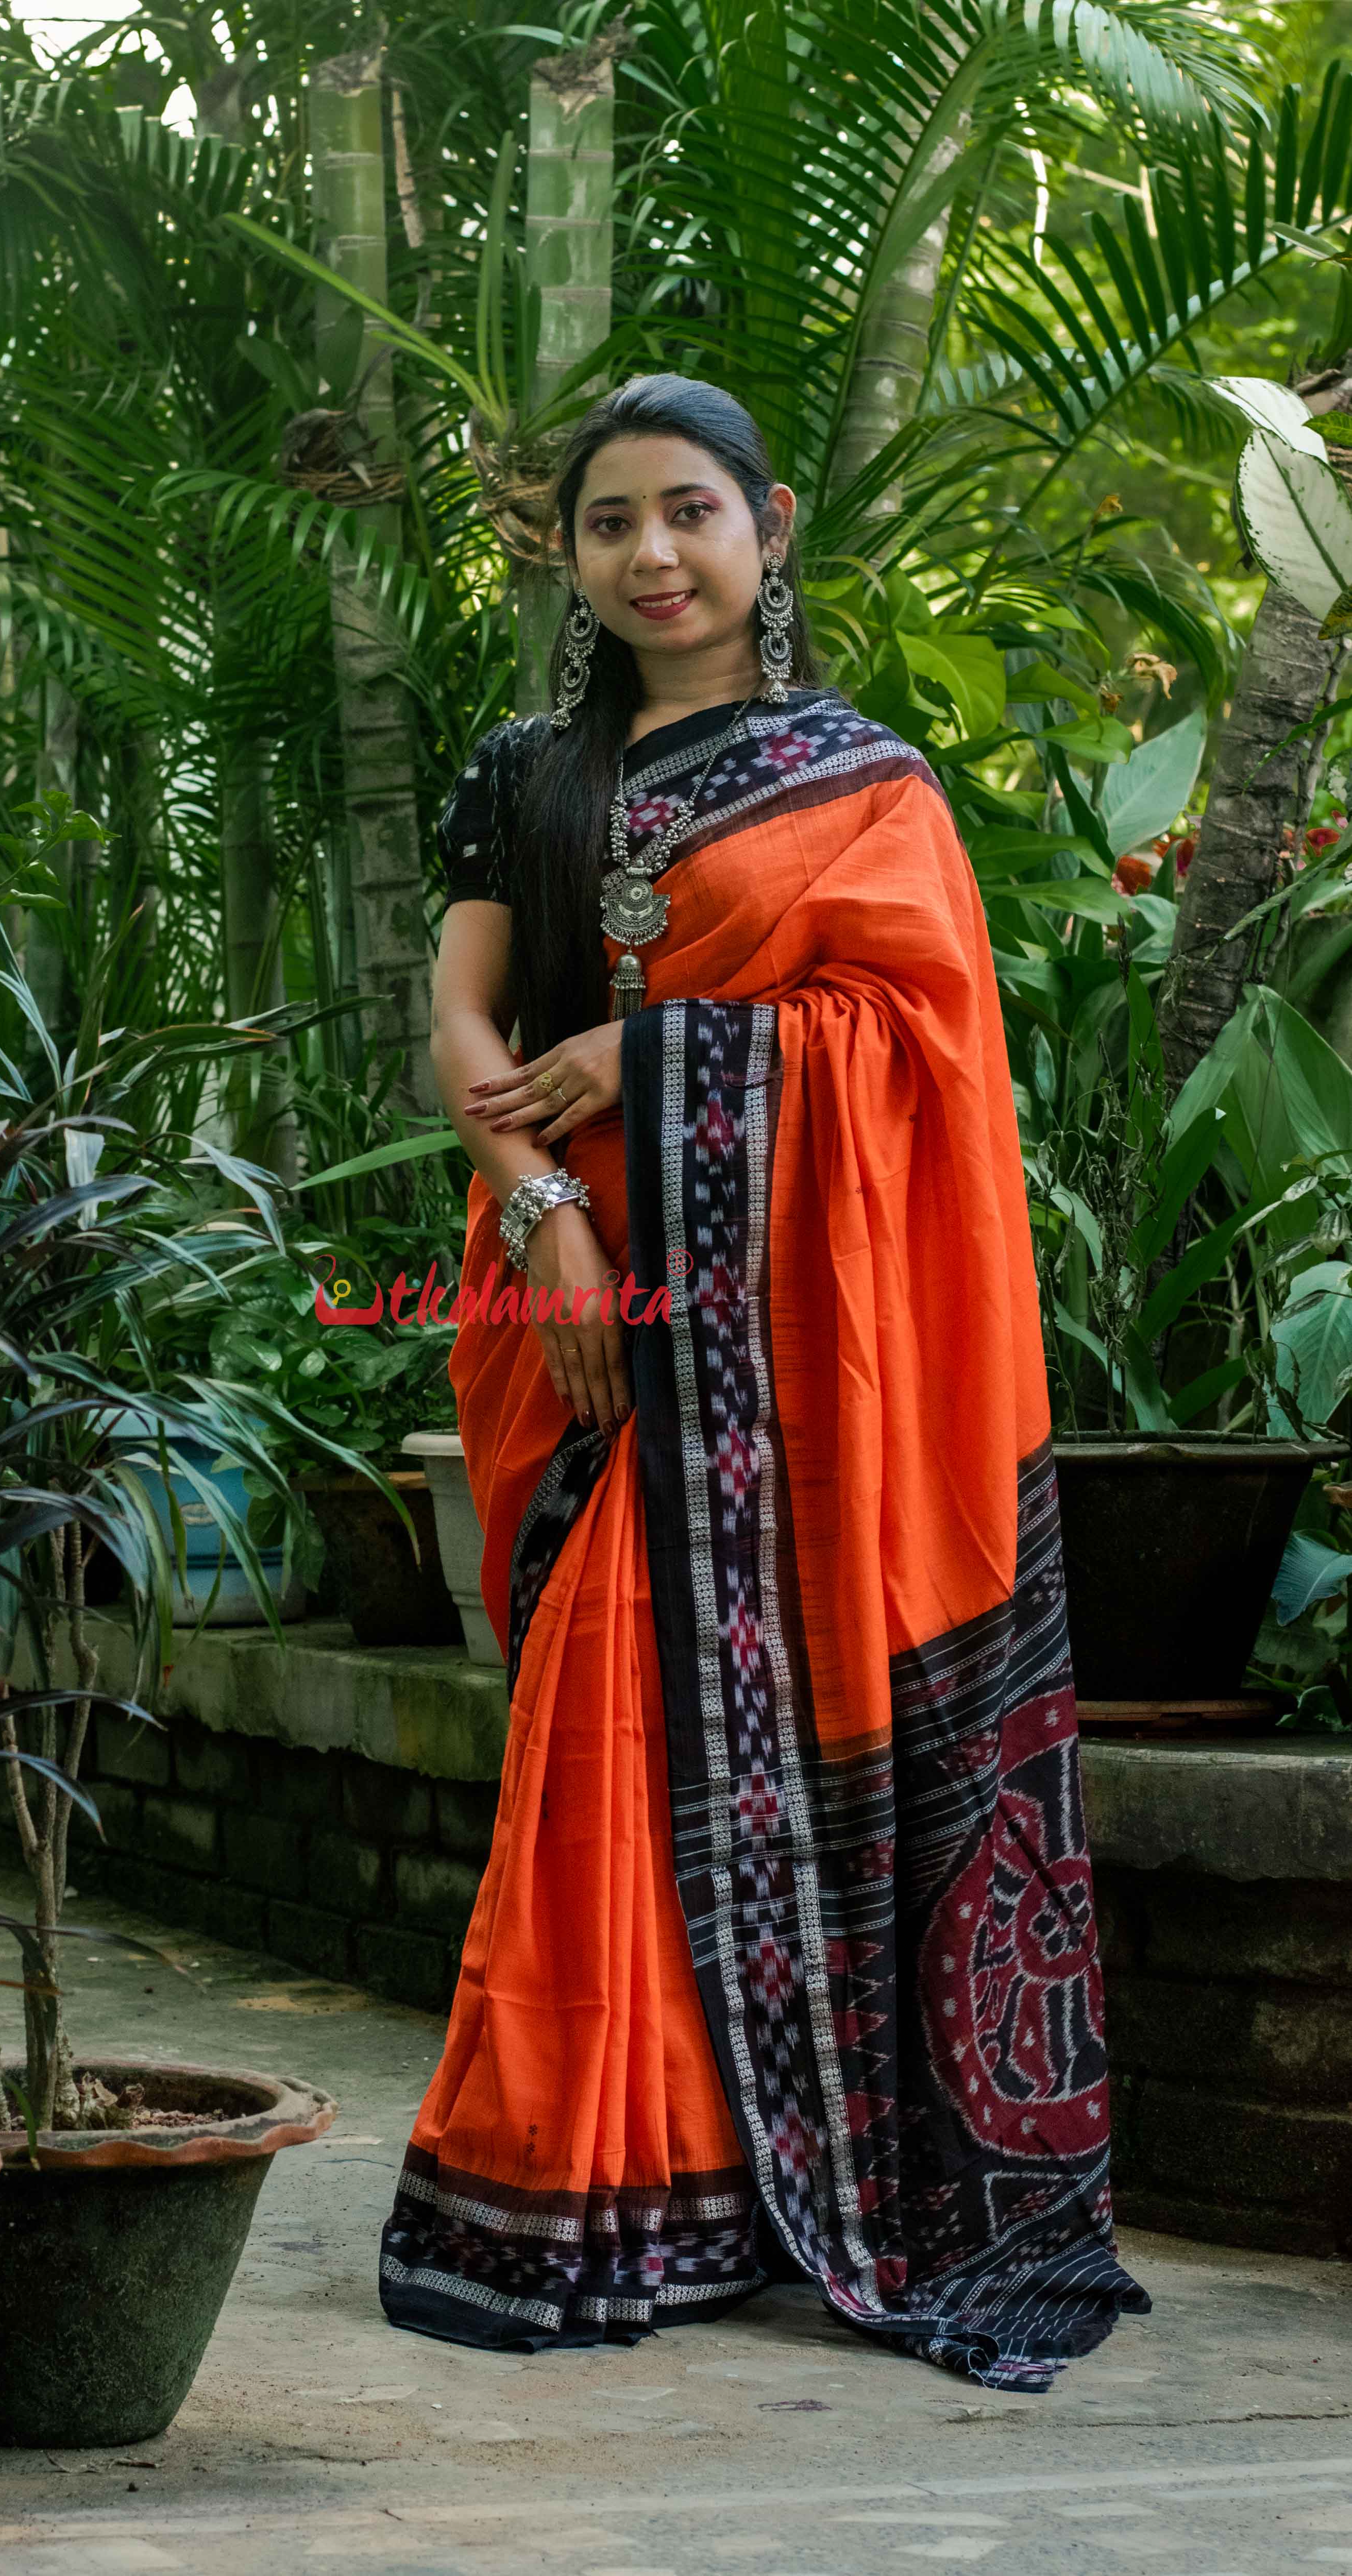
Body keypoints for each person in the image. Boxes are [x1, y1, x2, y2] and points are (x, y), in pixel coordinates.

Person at [378, 372, 1147, 2392]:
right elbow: (463, 1019)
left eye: (688, 512)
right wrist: (551, 1207)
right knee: (597, 1712)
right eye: (608, 521)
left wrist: (658, 1055)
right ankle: (596, 2168)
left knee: (655, 1707)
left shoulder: (863, 786)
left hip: (799, 1337)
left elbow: (923, 1047)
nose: (652, 553)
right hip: (578, 1295)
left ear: (767, 524)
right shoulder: (528, 772)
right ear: (569, 554)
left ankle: (694, 2175)